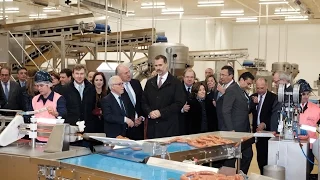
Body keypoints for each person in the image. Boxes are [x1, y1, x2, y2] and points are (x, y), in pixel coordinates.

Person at [215, 65, 251, 173]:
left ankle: (240, 175)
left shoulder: (238, 89)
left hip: (242, 130)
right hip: (233, 130)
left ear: (231, 76)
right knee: (231, 158)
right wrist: (231, 130)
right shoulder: (231, 89)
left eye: (223, 75)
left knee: (247, 155)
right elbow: (225, 111)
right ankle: (227, 177)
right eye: (220, 74)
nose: (221, 77)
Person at [142, 55, 185, 139]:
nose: (158, 68)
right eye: (156, 65)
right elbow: (144, 101)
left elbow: (179, 103)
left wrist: (161, 112)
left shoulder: (175, 83)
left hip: (169, 127)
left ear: (166, 64)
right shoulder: (150, 83)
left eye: (160, 65)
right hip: (152, 128)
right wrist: (149, 112)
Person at [250, 78, 280, 175]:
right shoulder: (253, 97)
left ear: (266, 86)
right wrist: (253, 103)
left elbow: (273, 115)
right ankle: (262, 174)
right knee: (259, 157)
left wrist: (265, 123)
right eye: (258, 88)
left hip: (268, 133)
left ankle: (267, 175)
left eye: (262, 88)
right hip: (257, 133)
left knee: (267, 157)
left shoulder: (273, 98)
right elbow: (248, 110)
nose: (259, 90)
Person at [31, 71, 67, 142]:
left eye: (41, 85)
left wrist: (55, 113)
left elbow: (63, 114)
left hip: (53, 138)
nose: (39, 88)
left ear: (49, 85)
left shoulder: (59, 98)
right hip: (37, 137)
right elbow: (30, 115)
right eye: (37, 86)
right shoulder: (35, 99)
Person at [61, 64, 96, 133]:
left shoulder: (91, 88)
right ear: (73, 75)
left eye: (81, 74)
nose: (79, 76)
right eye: (77, 73)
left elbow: (92, 106)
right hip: (71, 126)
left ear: (85, 74)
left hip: (87, 126)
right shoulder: (65, 89)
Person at [296, 79, 320, 175]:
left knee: (307, 169)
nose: (306, 97)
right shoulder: (291, 107)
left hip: (310, 145)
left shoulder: (316, 109)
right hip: (294, 144)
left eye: (307, 94)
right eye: (303, 94)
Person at [116, 64, 145, 140]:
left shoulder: (136, 83)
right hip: (125, 128)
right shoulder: (115, 87)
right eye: (126, 73)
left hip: (139, 126)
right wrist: (131, 120)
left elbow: (142, 101)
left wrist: (141, 117)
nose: (129, 74)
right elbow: (117, 108)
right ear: (119, 75)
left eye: (129, 72)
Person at [180, 68, 196, 135]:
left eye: (191, 77)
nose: (189, 79)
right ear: (183, 78)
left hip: (195, 124)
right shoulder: (178, 89)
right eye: (187, 77)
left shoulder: (198, 88)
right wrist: (181, 109)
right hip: (181, 124)